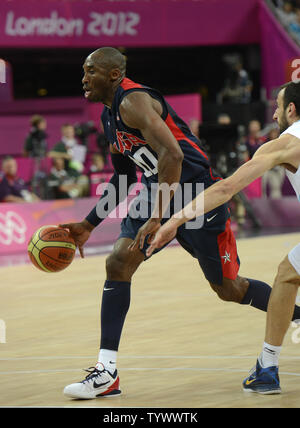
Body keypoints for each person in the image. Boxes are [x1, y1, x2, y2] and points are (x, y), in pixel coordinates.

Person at [60, 48, 300, 400]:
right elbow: (124, 178)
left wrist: (159, 217)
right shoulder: (109, 118)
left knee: (228, 289)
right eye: (83, 70)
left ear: (113, 75)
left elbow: (172, 155)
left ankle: (296, 314)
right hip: (156, 191)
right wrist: (89, 223)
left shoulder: (133, 102)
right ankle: (106, 372)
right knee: (118, 262)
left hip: (197, 191)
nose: (83, 77)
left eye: (90, 70)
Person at [146, 80, 300, 395]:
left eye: (277, 106)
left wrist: (176, 219)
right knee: (288, 274)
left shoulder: (284, 144)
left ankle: (268, 369)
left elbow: (226, 188)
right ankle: (267, 367)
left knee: (286, 277)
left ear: (291, 109)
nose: (273, 113)